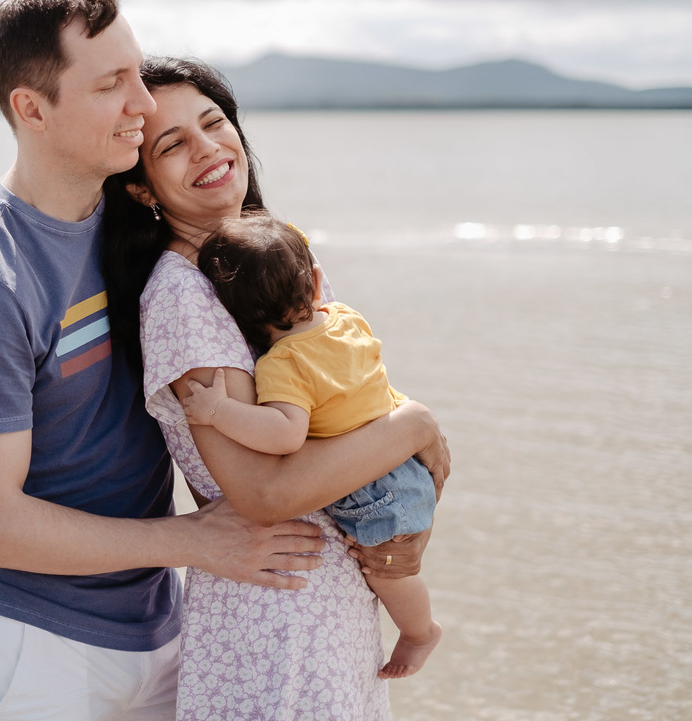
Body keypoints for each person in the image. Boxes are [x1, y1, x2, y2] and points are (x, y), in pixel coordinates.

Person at [0, 0, 343, 721]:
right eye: (111, 84)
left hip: (157, 624)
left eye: (137, 76)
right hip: (29, 644)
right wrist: (194, 543)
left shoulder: (134, 231)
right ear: (31, 108)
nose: (141, 105)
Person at [102, 57, 450, 719]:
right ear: (143, 189)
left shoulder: (262, 257)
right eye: (172, 144)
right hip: (278, 615)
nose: (206, 147)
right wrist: (414, 426)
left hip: (325, 602)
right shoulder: (183, 293)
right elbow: (265, 492)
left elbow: (339, 399)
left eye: (213, 122)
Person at [185, 212, 443, 679]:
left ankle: (420, 632)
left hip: (375, 490)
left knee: (390, 574)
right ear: (317, 281)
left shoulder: (283, 363)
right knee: (388, 569)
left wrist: (217, 412)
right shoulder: (346, 319)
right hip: (397, 461)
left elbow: (286, 432)